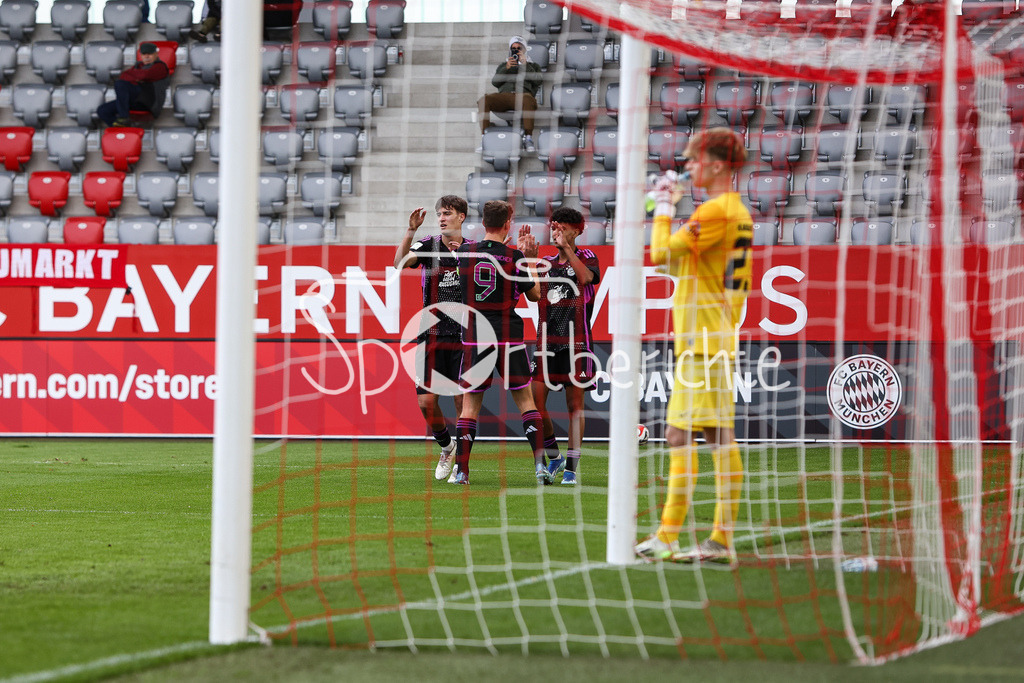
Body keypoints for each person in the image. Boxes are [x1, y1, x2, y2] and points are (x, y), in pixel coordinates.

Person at [635, 127, 754, 565]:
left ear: (718, 164)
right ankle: (720, 539)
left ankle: (669, 535)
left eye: (694, 160)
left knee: (679, 433)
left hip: (702, 341)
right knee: (717, 436)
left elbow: (661, 255)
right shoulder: (735, 210)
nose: (688, 167)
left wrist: (664, 207)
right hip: (715, 334)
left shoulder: (717, 211)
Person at [452, 200, 548, 485]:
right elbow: (535, 296)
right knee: (526, 402)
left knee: (470, 407)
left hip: (475, 338)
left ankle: (463, 472)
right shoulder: (514, 256)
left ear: (483, 223)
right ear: (508, 224)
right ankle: (540, 468)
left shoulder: (465, 253)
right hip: (508, 335)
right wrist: (528, 261)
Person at [394, 196, 471, 483]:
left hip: (464, 335)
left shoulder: (472, 250)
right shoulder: (429, 245)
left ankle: (462, 467)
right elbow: (399, 263)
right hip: (431, 333)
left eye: (447, 213)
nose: (441, 218)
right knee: (426, 402)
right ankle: (447, 447)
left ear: (461, 217)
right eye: (439, 213)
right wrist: (410, 230)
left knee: (463, 402)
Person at [529, 207, 601, 486]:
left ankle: (570, 468)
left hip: (577, 341)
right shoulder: (546, 262)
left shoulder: (587, 257)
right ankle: (554, 455)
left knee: (575, 406)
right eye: (554, 226)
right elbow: (534, 295)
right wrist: (531, 261)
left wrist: (566, 249)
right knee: (536, 404)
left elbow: (585, 278)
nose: (556, 231)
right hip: (545, 340)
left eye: (563, 227)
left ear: (577, 230)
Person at [477, 35, 543, 153]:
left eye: (519, 48)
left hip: (523, 96)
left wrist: (525, 65)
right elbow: (495, 82)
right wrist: (506, 68)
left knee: (528, 100)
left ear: (524, 50)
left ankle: (528, 138)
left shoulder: (533, 66)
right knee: (484, 100)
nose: (516, 50)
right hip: (505, 96)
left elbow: (538, 80)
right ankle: (484, 139)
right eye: (514, 48)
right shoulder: (504, 65)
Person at [96, 43, 169, 127]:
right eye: (144, 54)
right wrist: (135, 76)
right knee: (102, 110)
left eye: (150, 54)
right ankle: (122, 128)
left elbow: (145, 75)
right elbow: (123, 75)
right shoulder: (139, 66)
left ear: (156, 54)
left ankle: (124, 117)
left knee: (120, 84)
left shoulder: (160, 66)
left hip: (148, 102)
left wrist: (134, 76)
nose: (147, 56)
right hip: (134, 100)